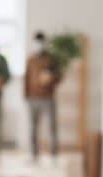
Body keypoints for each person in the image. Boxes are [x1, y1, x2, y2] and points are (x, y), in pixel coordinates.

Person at [25, 31, 61, 162]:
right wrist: (26, 95)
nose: (38, 44)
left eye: (40, 42)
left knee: (52, 127)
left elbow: (58, 76)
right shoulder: (30, 59)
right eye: (36, 42)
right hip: (32, 98)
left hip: (48, 97)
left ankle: (54, 155)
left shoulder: (51, 59)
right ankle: (34, 155)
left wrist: (50, 78)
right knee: (33, 128)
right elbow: (26, 78)